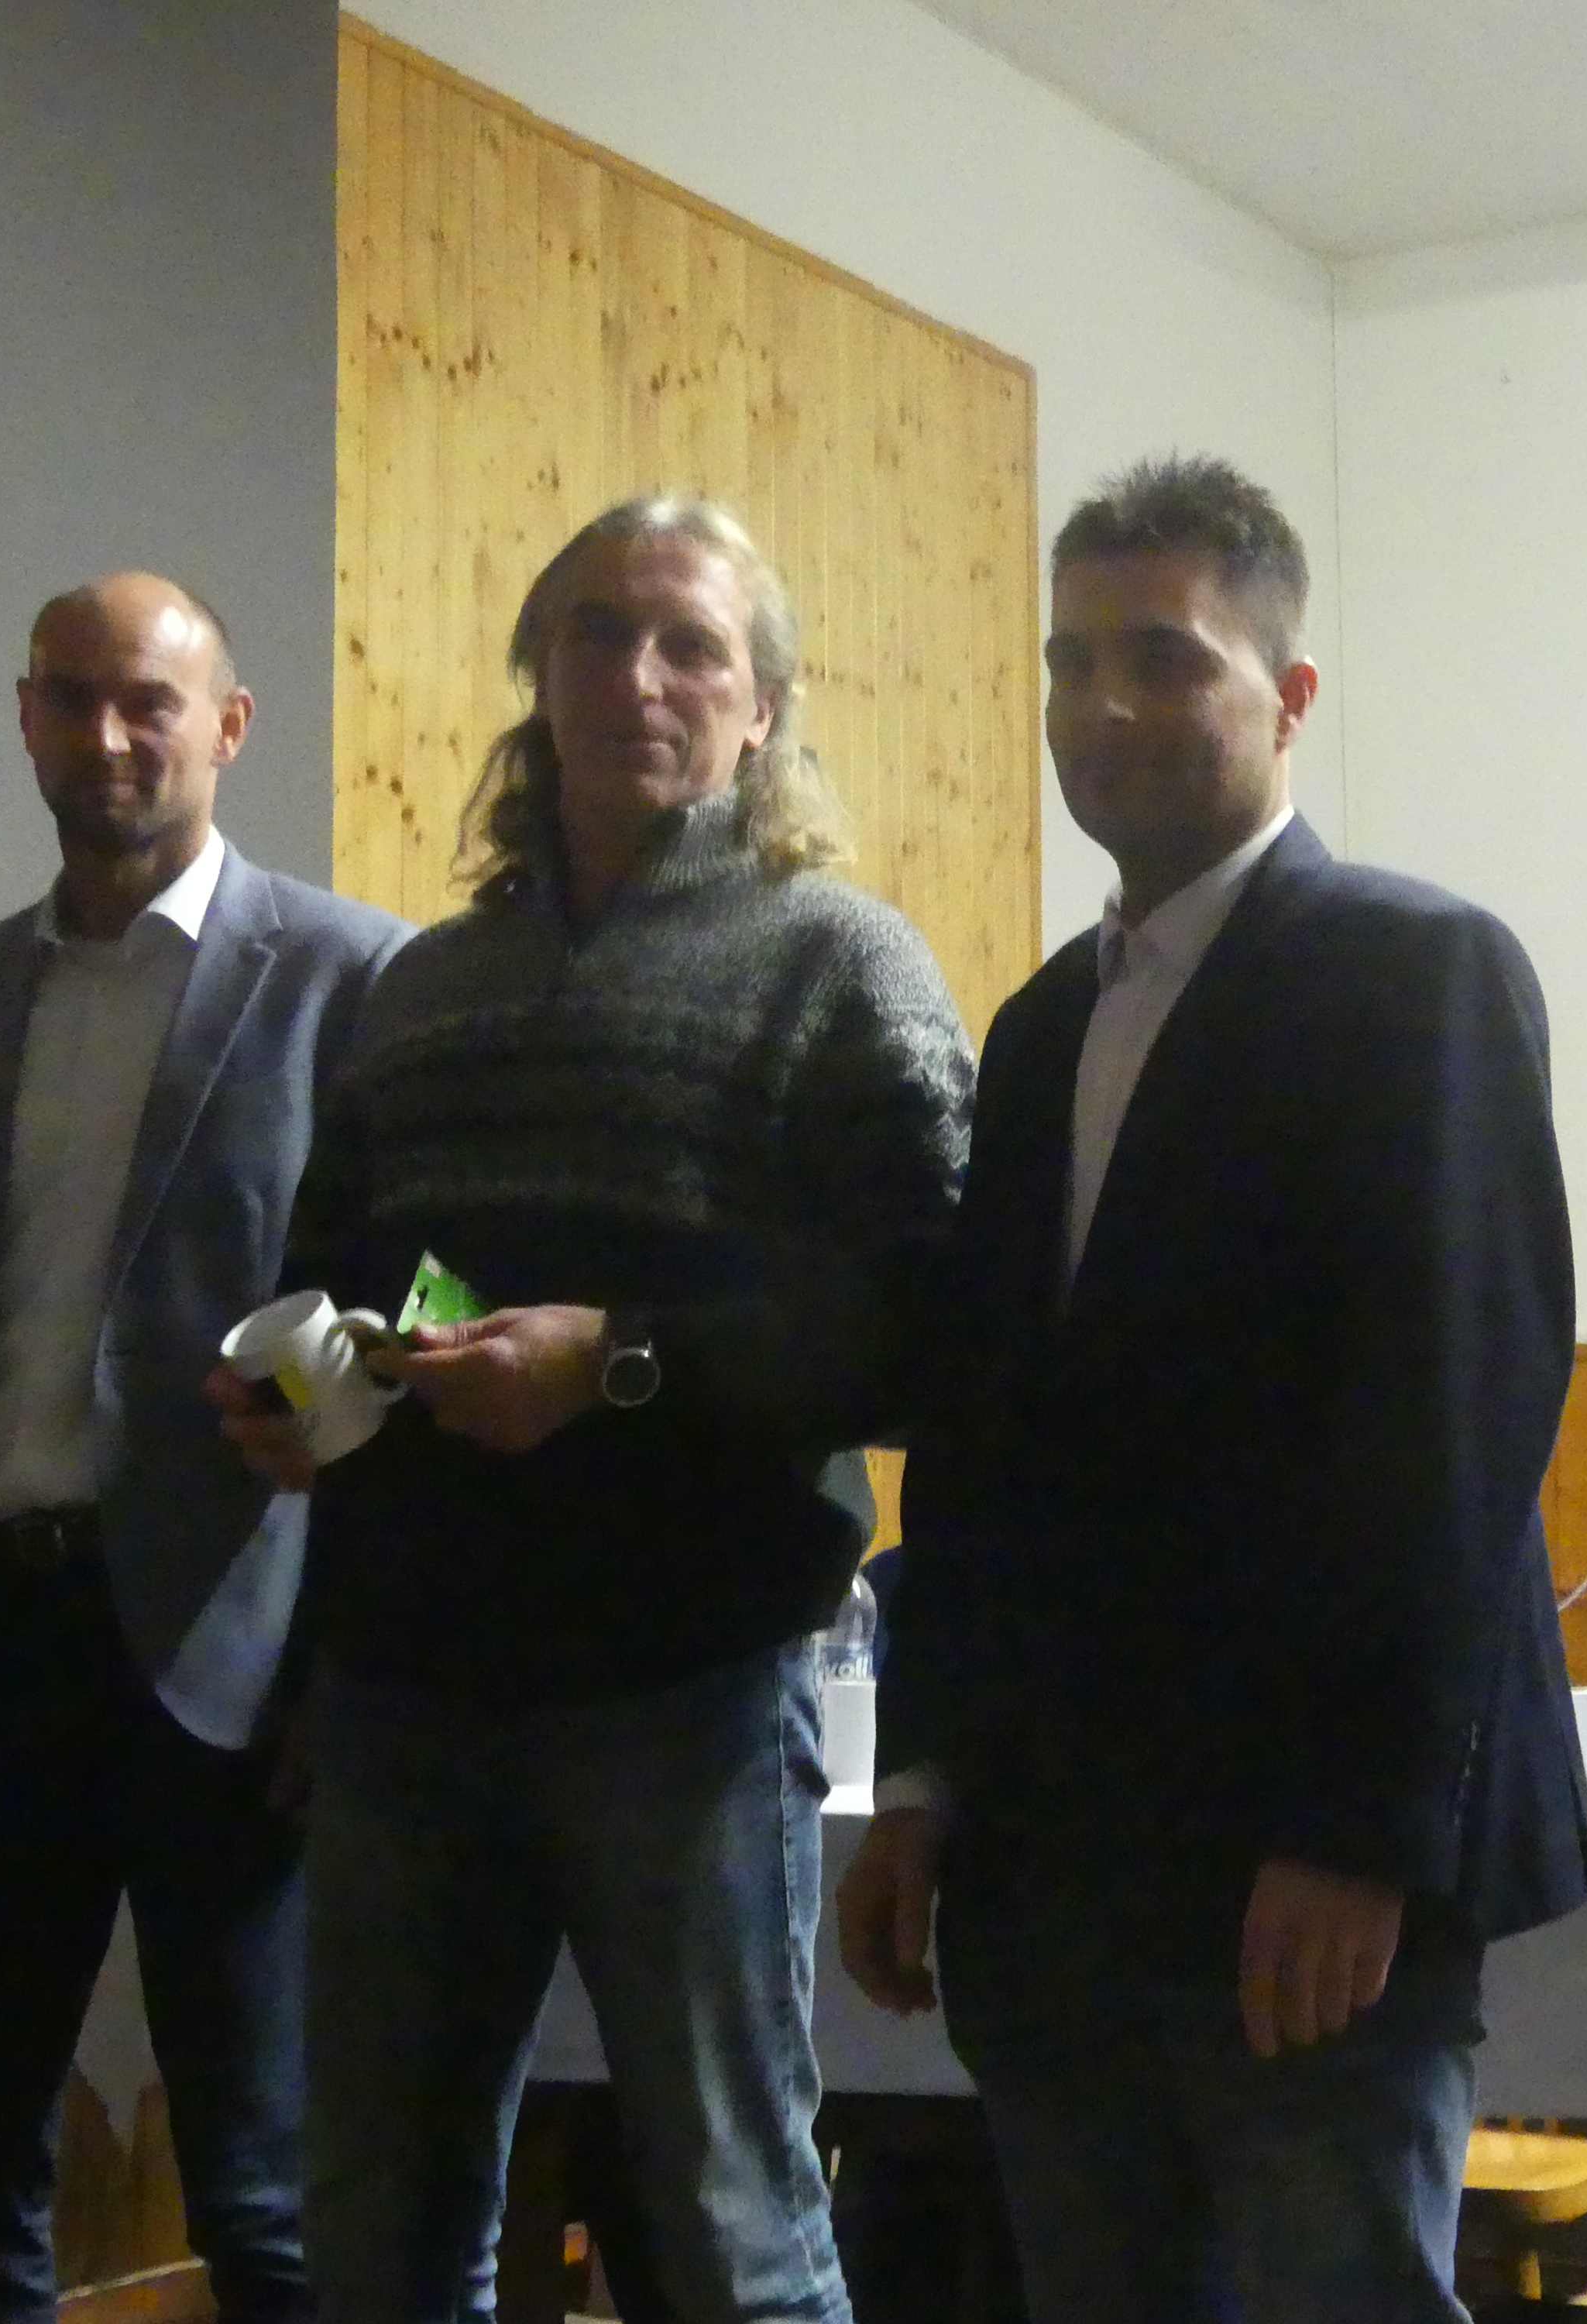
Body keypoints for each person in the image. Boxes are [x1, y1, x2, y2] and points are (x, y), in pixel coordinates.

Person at [836, 455, 1587, 2324]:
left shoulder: (1416, 972)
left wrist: (1355, 1831)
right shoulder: (1037, 1030)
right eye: (1069, 662)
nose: (1103, 706)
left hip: (1298, 1862)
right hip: (1050, 1863)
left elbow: (1451, 1427)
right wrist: (920, 1777)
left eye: (1165, 659)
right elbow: (982, 1434)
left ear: (1289, 694)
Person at [215, 496, 974, 2324]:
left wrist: (617, 1362)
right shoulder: (421, 989)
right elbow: (354, 1277)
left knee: (730, 2227)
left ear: (762, 709)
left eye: (689, 645)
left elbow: (922, 1330)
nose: (638, 675)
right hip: (406, 1691)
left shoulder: (840, 962)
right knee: (376, 2230)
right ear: (536, 678)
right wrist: (303, 1400)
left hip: (688, 1692)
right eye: (596, 633)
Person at [0, 574, 410, 2322]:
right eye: (72, 699)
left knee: (265, 2185)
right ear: (25, 719)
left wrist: (346, 1664)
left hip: (237, 1655)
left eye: (150, 701)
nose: (110, 735)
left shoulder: (354, 976)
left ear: (228, 725)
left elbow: (412, 1311)